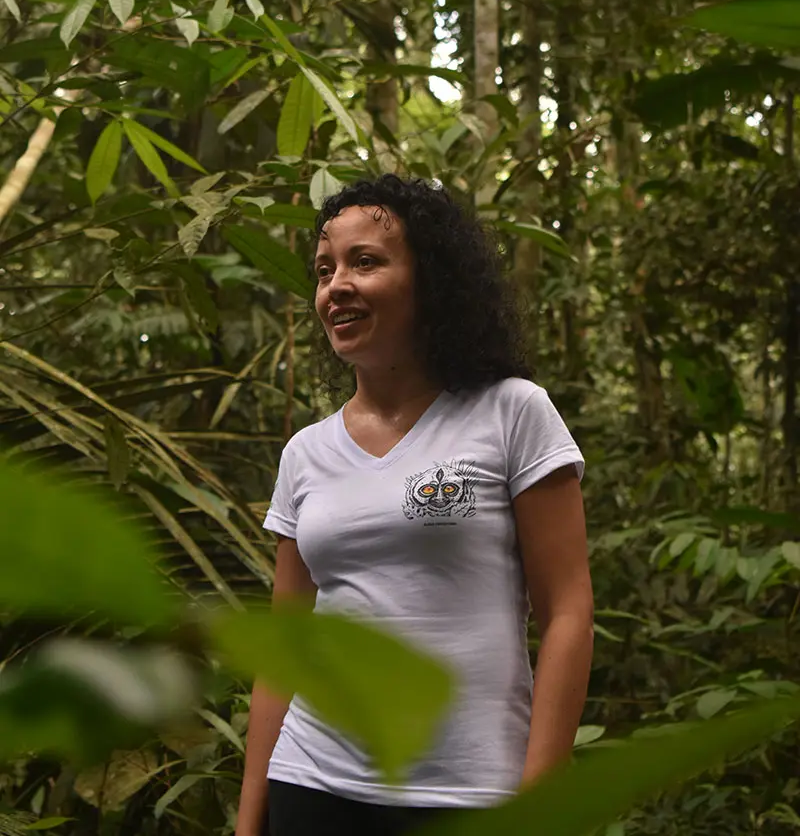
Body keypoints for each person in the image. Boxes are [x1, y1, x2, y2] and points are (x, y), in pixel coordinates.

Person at [236, 175, 593, 836]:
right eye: (324, 270)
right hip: (312, 784)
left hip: (470, 794)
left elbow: (568, 612)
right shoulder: (305, 454)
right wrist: (247, 823)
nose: (336, 285)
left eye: (364, 262)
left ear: (431, 280)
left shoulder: (512, 411)